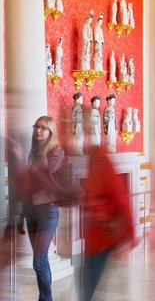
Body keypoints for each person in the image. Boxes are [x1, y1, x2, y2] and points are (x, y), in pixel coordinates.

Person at [16, 116, 64, 301]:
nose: (38, 131)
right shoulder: (33, 154)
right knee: (42, 260)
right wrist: (21, 216)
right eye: (36, 127)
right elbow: (28, 186)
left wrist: (23, 157)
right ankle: (45, 298)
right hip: (31, 211)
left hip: (48, 210)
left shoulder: (56, 153)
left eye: (43, 128)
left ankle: (46, 299)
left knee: (38, 260)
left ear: (51, 131)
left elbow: (43, 174)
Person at [80, 146, 134, 301]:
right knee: (91, 280)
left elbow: (120, 206)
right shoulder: (103, 173)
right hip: (96, 239)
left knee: (89, 282)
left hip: (101, 238)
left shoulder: (100, 172)